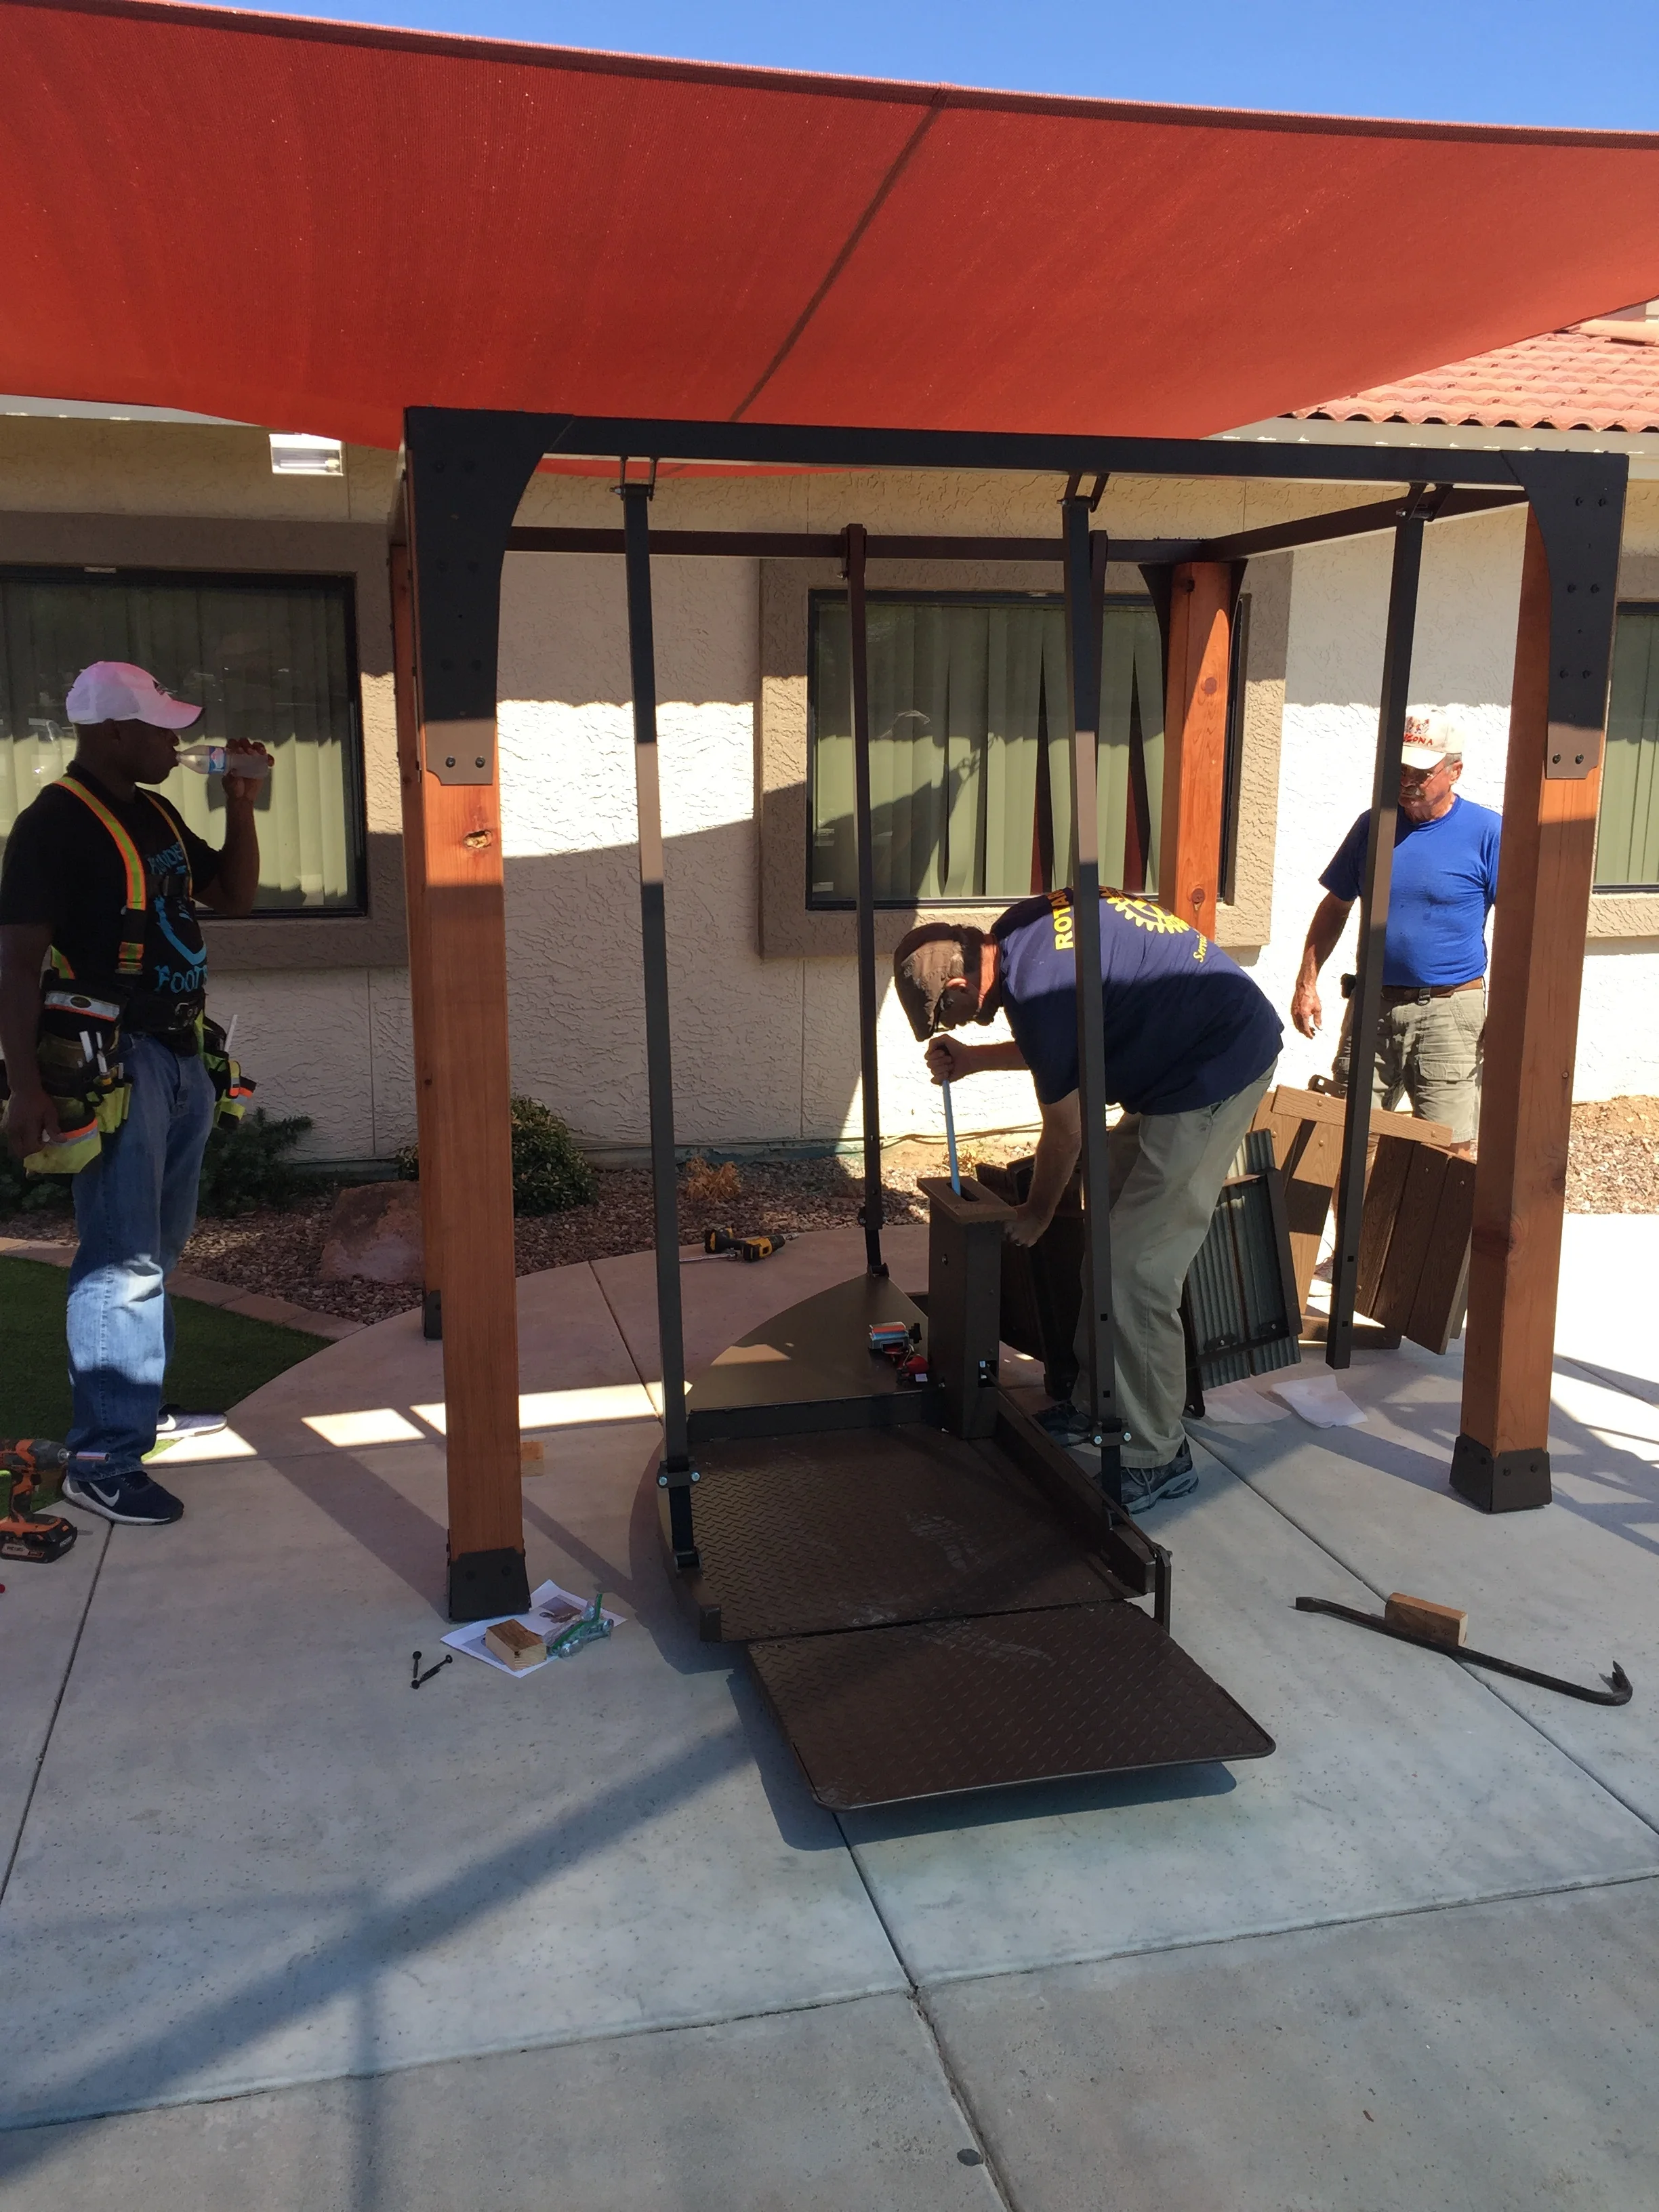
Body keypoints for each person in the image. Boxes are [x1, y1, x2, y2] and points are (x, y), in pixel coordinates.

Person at [895, 889, 1282, 1511]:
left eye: (951, 1015)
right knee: (1105, 1238)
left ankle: (1157, 1455)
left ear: (962, 983)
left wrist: (1036, 1213)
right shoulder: (1019, 938)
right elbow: (1060, 1041)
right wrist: (974, 1061)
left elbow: (1067, 1133)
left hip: (1216, 1066)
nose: (958, 1024)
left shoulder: (1037, 985)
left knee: (1136, 1268)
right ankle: (1098, 1404)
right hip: (1173, 1066)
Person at [0, 662, 268, 1528]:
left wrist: (239, 803)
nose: (175, 742)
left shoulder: (155, 814)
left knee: (158, 1245)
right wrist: (25, 1086)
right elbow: (15, 964)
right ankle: (102, 1459)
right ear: (113, 731)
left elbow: (233, 896)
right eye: (161, 729)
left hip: (181, 1052)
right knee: (121, 1259)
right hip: (115, 1062)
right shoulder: (51, 826)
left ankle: (134, 1406)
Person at [1291, 712, 1500, 1153]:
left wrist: (1508, 1012)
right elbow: (1335, 906)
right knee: (1347, 1143)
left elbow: (1521, 929)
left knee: (1444, 1154)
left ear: (1455, 771)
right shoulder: (1373, 827)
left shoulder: (1486, 833)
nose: (1407, 782)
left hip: (1449, 1013)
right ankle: (1359, 1207)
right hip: (1373, 1007)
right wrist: (1306, 982)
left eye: (1420, 773)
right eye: (1400, 770)